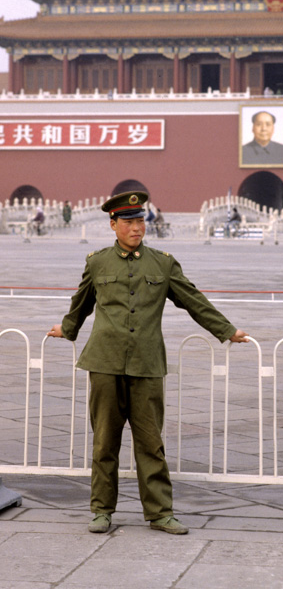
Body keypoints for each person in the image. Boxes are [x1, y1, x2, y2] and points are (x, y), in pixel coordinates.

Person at [47, 190, 248, 536]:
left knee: (150, 443)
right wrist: (67, 328)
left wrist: (226, 330)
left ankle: (160, 513)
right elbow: (81, 302)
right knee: (104, 441)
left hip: (147, 364)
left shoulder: (163, 263)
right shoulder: (97, 262)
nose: (137, 227)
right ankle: (101, 511)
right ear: (113, 225)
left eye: (140, 220)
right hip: (105, 362)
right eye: (128, 222)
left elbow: (193, 300)